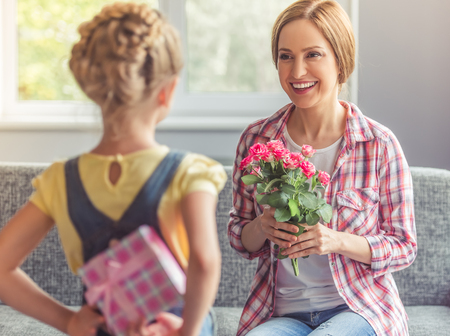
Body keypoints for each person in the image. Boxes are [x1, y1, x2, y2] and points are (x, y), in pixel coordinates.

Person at [0, 3, 226, 336]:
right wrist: (187, 331)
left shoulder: (59, 181)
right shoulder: (190, 172)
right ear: (167, 91)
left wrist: (68, 321)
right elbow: (205, 262)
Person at [228, 0, 417, 335]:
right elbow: (240, 238)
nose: (297, 71)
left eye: (312, 54)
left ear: (340, 61)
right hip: (279, 314)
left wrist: (336, 240)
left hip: (359, 308)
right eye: (286, 56)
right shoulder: (256, 139)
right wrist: (262, 227)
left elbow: (404, 247)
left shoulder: (379, 144)